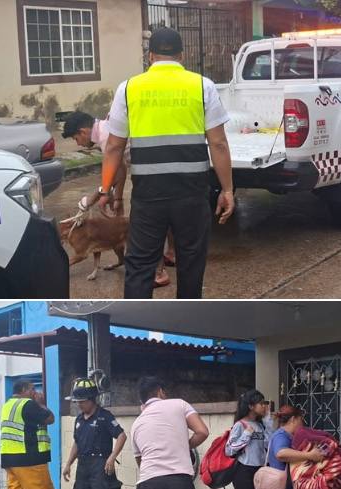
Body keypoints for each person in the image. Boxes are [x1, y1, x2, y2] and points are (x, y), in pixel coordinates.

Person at [92, 27, 236, 299]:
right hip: (192, 194)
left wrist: (105, 188)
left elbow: (113, 146)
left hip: (149, 196)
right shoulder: (201, 85)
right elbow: (218, 143)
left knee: (140, 265)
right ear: (183, 55)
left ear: (150, 57)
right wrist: (227, 190)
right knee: (191, 263)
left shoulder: (129, 88)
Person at [63, 110, 173, 288]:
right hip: (154, 168)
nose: (79, 144)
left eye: (76, 139)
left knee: (145, 223)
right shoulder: (107, 129)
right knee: (161, 216)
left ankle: (159, 272)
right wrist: (118, 198)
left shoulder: (107, 137)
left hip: (152, 171)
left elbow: (116, 168)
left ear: (83, 132)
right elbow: (120, 167)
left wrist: (99, 195)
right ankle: (170, 255)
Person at [0, 380, 79, 489]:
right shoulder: (28, 404)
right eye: (32, 389)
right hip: (29, 459)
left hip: (11, 458)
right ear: (23, 390)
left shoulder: (8, 405)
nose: (34, 392)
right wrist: (41, 403)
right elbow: (50, 418)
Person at [61, 377, 129, 489]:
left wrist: (112, 457)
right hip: (84, 465)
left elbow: (121, 436)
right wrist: (68, 463)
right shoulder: (78, 420)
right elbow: (77, 443)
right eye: (77, 402)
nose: (79, 405)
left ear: (92, 399)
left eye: (82, 401)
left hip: (101, 465)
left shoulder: (105, 417)